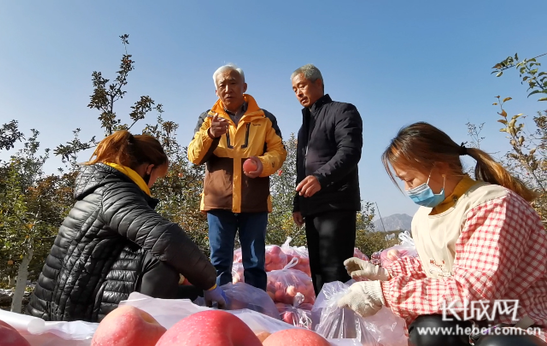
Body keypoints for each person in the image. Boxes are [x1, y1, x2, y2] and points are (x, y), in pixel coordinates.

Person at [338, 122, 547, 345]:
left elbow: (474, 293)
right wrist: (384, 273)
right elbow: (437, 266)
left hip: (517, 322)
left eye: (410, 180)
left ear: (440, 166)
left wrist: (382, 293)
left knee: (499, 344)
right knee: (430, 329)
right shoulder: (425, 216)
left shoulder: (493, 205)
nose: (408, 190)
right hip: (474, 324)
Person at [26, 130, 228, 322]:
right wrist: (209, 282)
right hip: (67, 312)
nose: (154, 183)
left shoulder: (106, 187)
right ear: (148, 169)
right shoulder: (115, 193)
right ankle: (140, 334)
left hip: (74, 298)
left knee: (190, 291)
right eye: (157, 176)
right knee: (163, 260)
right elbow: (165, 238)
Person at [188, 63, 286, 291]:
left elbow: (279, 151)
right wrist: (211, 135)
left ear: (244, 86)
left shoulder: (264, 118)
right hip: (219, 201)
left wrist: (262, 163)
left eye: (233, 83)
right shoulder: (208, 118)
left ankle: (257, 312)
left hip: (254, 200)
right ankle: (219, 313)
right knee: (219, 263)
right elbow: (194, 156)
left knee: (254, 263)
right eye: (222, 84)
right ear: (216, 91)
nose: (228, 88)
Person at [290, 63, 363, 295]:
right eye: (294, 89)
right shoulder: (304, 128)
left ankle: (343, 327)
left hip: (336, 203)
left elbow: (349, 151)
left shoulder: (342, 111)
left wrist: (321, 178)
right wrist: (297, 203)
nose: (298, 93)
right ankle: (325, 325)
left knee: (336, 271)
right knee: (318, 271)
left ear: (318, 83)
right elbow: (301, 168)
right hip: (312, 206)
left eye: (301, 86)